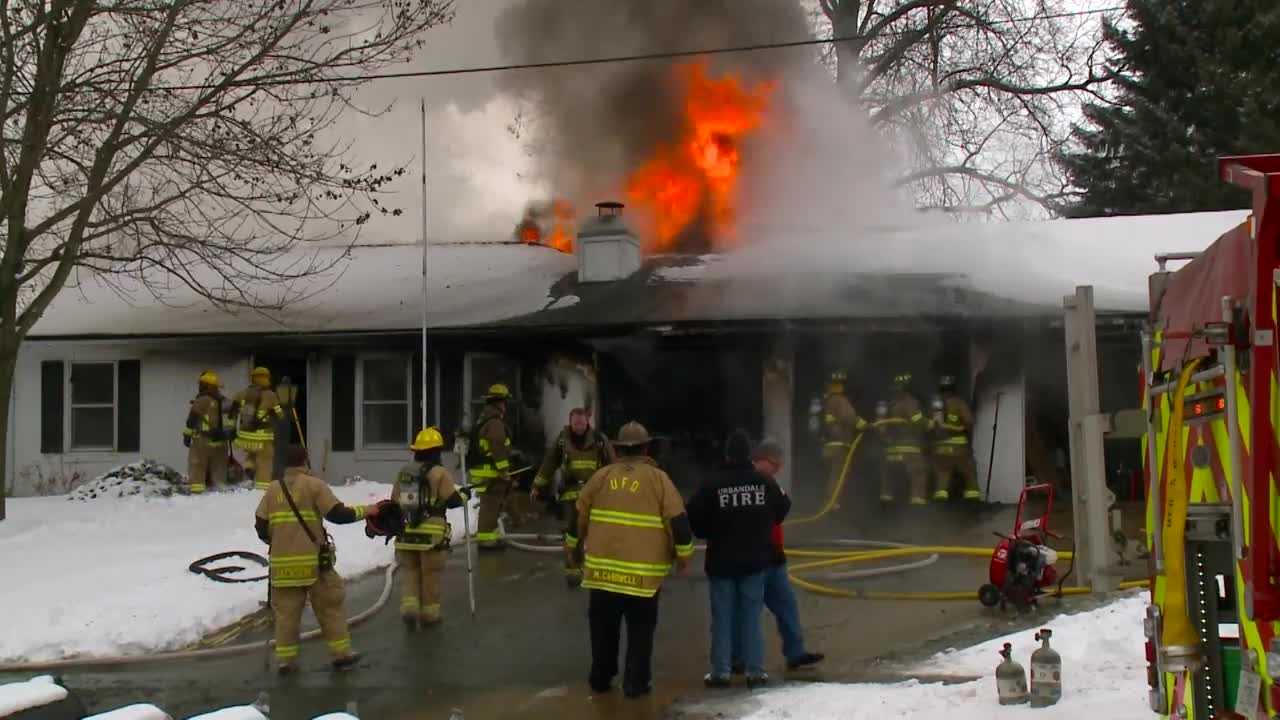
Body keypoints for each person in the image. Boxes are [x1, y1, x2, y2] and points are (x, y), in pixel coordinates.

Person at [576, 421, 694, 698]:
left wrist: (572, 547)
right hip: (642, 579)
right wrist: (684, 556)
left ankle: (601, 678)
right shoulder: (659, 479)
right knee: (641, 632)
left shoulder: (601, 477)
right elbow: (678, 522)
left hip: (603, 574)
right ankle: (635, 683)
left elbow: (578, 515)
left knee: (603, 628)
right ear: (646, 448)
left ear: (618, 449)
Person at [254, 445, 377, 674]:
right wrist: (367, 510)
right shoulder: (314, 485)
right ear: (305, 461)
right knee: (331, 606)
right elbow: (338, 515)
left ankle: (286, 662)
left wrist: (281, 543)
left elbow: (261, 526)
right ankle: (341, 655)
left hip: (282, 567)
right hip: (314, 564)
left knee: (286, 616)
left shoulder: (272, 490)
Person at [687, 430, 791, 689]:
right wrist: (764, 523)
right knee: (752, 617)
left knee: (722, 618)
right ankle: (755, 672)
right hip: (755, 563)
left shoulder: (711, 484)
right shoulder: (763, 481)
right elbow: (783, 507)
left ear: (726, 454)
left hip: (721, 562)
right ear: (749, 455)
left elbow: (693, 516)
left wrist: (708, 532)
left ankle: (721, 673)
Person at [731, 440, 824, 674]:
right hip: (753, 559)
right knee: (746, 612)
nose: (777, 469)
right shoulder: (744, 483)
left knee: (787, 606)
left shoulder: (769, 482)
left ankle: (795, 654)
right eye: (774, 464)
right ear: (760, 459)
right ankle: (738, 659)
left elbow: (783, 507)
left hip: (774, 558)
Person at [532, 407, 616, 587]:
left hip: (595, 494)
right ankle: (573, 569)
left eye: (582, 421)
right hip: (570, 494)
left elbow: (612, 466)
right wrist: (537, 485)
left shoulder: (600, 440)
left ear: (588, 422)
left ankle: (600, 569)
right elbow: (549, 463)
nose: (579, 424)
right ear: (570, 422)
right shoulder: (563, 440)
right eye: (575, 421)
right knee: (574, 532)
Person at [392, 427, 464, 628]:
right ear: (436, 451)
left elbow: (394, 499)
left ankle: (409, 608)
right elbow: (453, 501)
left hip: (406, 530)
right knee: (430, 574)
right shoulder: (440, 473)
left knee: (410, 571)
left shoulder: (405, 472)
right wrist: (464, 496)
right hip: (431, 533)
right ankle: (430, 614)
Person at [875, 372, 929, 505]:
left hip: (891, 449)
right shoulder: (910, 402)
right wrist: (929, 423)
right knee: (919, 473)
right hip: (909, 447)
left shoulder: (890, 404)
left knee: (888, 477)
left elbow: (881, 427)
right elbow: (916, 420)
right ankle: (917, 505)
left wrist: (886, 439)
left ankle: (886, 503)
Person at [470, 384, 513, 550]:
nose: (505, 406)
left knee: (491, 505)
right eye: (504, 402)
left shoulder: (484, 418)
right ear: (499, 403)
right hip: (491, 473)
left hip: (484, 471)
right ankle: (487, 541)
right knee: (490, 505)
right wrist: (503, 470)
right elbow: (497, 446)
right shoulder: (494, 422)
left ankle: (491, 537)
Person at [232, 367, 286, 491]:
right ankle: (262, 488)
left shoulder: (241, 393)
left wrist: (232, 430)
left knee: (251, 455)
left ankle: (248, 468)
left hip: (245, 436)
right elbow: (280, 415)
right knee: (265, 461)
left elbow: (232, 413)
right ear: (267, 379)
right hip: (263, 437)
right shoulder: (271, 395)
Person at [930, 375, 981, 502]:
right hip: (959, 448)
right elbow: (969, 421)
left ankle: (940, 506)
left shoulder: (935, 406)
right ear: (954, 388)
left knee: (942, 476)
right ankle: (973, 504)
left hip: (940, 449)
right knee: (969, 474)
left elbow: (931, 426)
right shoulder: (958, 403)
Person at [820, 371, 866, 510]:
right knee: (838, 474)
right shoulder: (840, 400)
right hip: (840, 444)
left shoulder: (827, 401)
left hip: (829, 446)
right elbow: (849, 417)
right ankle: (833, 503)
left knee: (831, 474)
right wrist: (861, 423)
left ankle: (830, 501)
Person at [183, 370, 228, 494]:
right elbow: (231, 418)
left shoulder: (202, 400)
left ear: (206, 386)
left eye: (201, 384)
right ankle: (220, 492)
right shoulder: (224, 401)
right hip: (221, 442)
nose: (199, 387)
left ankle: (197, 493)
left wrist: (187, 435)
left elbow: (191, 420)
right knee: (219, 468)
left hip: (203, 440)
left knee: (197, 465)